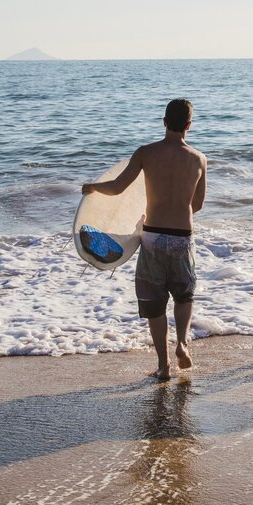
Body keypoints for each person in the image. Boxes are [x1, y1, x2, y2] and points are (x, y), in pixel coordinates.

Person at [83, 99, 207, 381]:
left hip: (152, 236)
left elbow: (117, 187)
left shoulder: (146, 153)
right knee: (184, 294)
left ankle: (163, 366)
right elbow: (197, 204)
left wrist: (92, 187)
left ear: (164, 122)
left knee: (155, 302)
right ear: (189, 125)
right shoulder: (199, 159)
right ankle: (183, 344)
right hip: (183, 238)